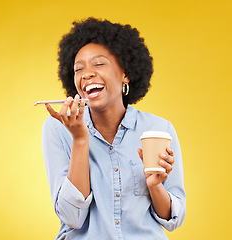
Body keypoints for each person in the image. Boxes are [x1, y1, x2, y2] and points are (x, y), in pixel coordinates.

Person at [42, 17, 186, 240]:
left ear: (125, 73)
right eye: (78, 69)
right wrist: (80, 139)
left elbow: (173, 220)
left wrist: (156, 185)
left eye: (99, 64)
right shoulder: (59, 127)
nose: (87, 74)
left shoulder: (159, 129)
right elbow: (72, 218)